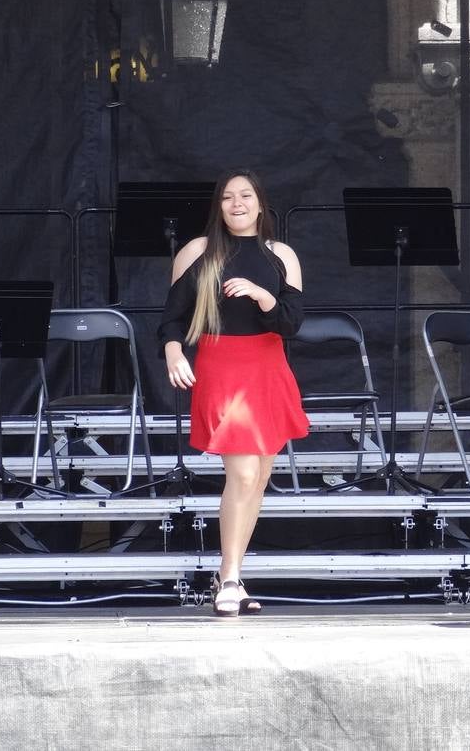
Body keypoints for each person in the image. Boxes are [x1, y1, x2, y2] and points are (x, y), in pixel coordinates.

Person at [158, 168, 309, 616]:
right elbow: (172, 318)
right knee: (242, 475)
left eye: (245, 195)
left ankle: (233, 576)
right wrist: (173, 352)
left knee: (258, 477)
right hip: (222, 366)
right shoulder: (199, 251)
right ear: (218, 206)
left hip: (268, 367)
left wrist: (263, 295)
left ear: (260, 204)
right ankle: (229, 578)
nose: (237, 203)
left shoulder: (281, 255)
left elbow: (291, 323)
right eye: (227, 197)